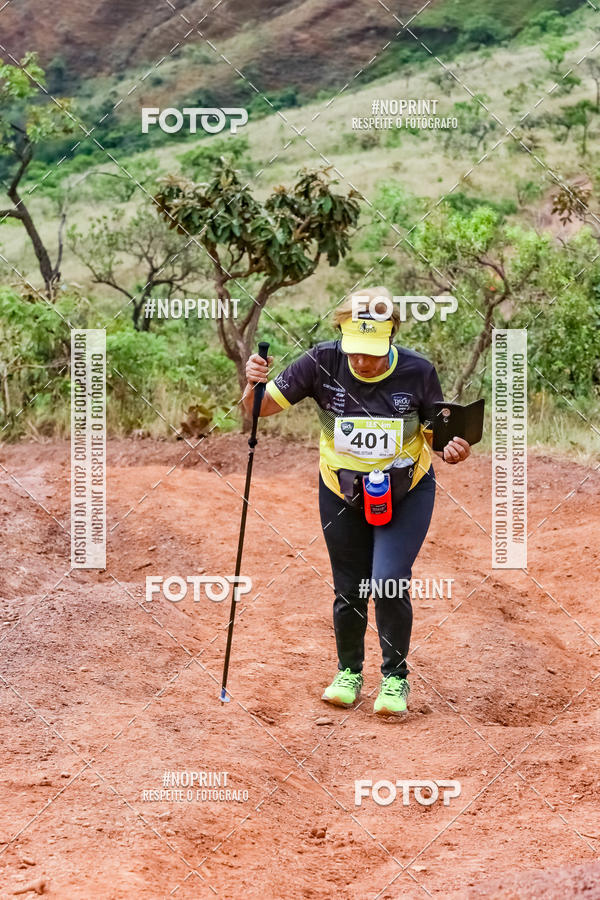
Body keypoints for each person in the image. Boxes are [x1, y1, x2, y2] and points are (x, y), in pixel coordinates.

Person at [241, 287, 471, 716]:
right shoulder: (321, 361)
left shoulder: (418, 371)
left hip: (405, 491)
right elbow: (258, 409)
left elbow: (437, 436)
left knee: (388, 580)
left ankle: (395, 679)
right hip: (341, 490)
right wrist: (253, 383)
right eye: (355, 351)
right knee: (349, 587)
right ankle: (348, 672)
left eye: (373, 352)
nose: (362, 361)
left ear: (391, 337)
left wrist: (452, 449)